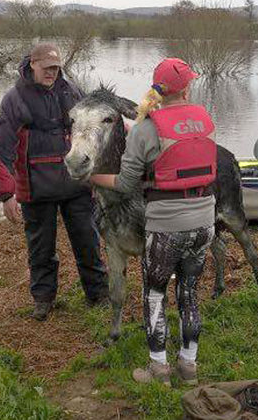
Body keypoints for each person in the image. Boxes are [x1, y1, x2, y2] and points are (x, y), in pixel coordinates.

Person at [89, 58, 216, 386]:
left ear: (157, 90)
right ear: (187, 87)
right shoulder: (205, 119)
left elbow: (126, 184)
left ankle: (158, 369)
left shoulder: (146, 128)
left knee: (155, 294)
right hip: (204, 221)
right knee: (188, 292)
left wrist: (94, 176)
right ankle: (189, 367)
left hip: (166, 226)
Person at [0, 43, 109, 321]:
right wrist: (6, 194)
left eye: (56, 68)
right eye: (46, 68)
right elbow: (2, 150)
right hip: (35, 188)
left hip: (76, 184)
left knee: (88, 241)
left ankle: (99, 295)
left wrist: (99, 174)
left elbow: (91, 132)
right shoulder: (14, 99)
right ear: (32, 64)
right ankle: (43, 299)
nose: (51, 73)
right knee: (40, 248)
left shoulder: (72, 92)